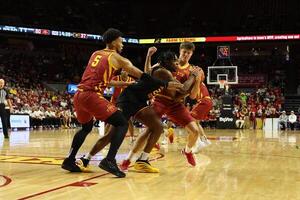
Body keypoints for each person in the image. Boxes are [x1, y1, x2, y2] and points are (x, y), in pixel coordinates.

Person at [61, 28, 182, 177]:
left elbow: (105, 80)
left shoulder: (96, 54)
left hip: (79, 95)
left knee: (86, 128)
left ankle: (70, 159)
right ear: (113, 42)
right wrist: (164, 84)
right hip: (92, 95)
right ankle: (109, 160)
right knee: (122, 123)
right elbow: (141, 75)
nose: (123, 44)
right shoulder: (118, 58)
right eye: (121, 41)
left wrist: (125, 84)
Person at [76, 51, 187, 173]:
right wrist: (194, 77)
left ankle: (142, 161)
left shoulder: (159, 69)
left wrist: (148, 55)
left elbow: (176, 93)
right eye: (174, 62)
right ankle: (86, 159)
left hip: (139, 101)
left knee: (157, 126)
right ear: (167, 62)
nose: (177, 64)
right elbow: (182, 89)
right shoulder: (163, 72)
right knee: (111, 135)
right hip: (128, 99)